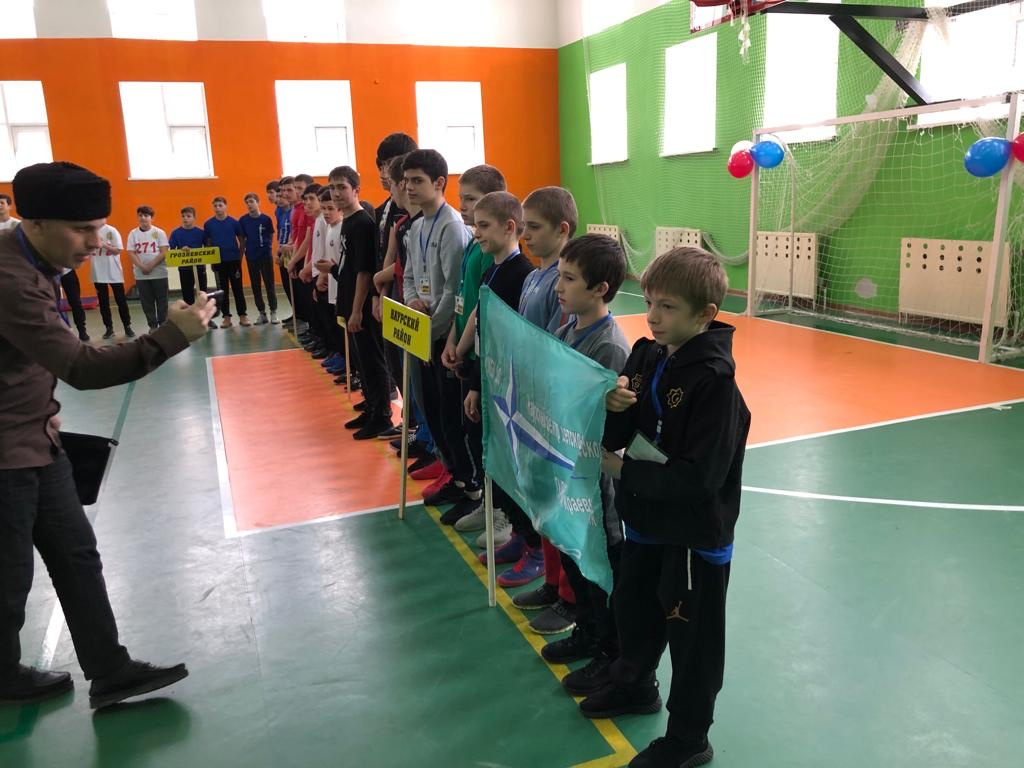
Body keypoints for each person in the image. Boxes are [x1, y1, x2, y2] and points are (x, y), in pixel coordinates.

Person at [0, 161, 216, 709]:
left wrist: (38, 404)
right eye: (82, 230)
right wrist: (171, 336)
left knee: (77, 554)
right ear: (35, 223)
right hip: (6, 453)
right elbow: (81, 365)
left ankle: (110, 669)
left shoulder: (35, 260)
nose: (97, 242)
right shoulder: (11, 280)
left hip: (34, 437)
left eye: (99, 227)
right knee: (8, 574)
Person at [580, 246, 751, 768]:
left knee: (693, 639)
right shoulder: (647, 354)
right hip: (646, 519)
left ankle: (689, 737)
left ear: (705, 315)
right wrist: (613, 407)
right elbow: (621, 431)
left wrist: (624, 472)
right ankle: (635, 682)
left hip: (693, 535)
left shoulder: (715, 385)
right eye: (650, 301)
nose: (652, 316)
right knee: (634, 608)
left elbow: (700, 480)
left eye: (668, 307)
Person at [543, 234, 630, 699]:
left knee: (600, 570)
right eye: (559, 275)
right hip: (566, 474)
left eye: (570, 279)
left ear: (600, 289)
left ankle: (611, 650)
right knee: (575, 561)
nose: (559, 286)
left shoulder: (609, 347)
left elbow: (600, 422)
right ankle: (589, 630)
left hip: (595, 489)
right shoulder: (565, 331)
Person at [325, 166, 394, 439]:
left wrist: (356, 311)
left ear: (356, 190)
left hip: (361, 306)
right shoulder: (348, 220)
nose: (336, 193)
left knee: (372, 360)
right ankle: (371, 406)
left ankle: (382, 415)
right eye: (332, 187)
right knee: (360, 361)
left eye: (342, 187)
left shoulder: (363, 223)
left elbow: (364, 272)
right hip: (348, 301)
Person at [204, 197, 248, 327]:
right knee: (222, 291)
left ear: (225, 206)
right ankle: (226, 317)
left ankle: (243, 315)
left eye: (220, 205)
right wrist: (211, 261)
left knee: (238, 289)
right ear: (213, 207)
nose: (218, 208)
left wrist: (239, 257)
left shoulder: (234, 222)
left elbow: (242, 240)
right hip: (218, 262)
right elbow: (208, 243)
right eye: (215, 206)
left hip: (233, 261)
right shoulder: (208, 224)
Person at [126, 205, 170, 332]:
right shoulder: (133, 234)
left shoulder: (159, 232)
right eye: (140, 215)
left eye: (146, 215)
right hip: (141, 275)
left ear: (152, 218)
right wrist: (142, 266)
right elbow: (131, 252)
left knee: (162, 301)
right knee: (147, 302)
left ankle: (163, 324)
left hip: (159, 273)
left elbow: (164, 251)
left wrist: (151, 265)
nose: (143, 218)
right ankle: (152, 325)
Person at [90, 222, 134, 339]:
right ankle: (109, 328)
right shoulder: (89, 230)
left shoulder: (111, 230)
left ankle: (127, 326)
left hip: (113, 271)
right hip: (98, 272)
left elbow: (118, 250)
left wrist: (104, 245)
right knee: (103, 302)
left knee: (121, 300)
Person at [239, 192, 277, 324]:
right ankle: (262, 313)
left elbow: (270, 235)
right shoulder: (243, 220)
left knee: (269, 284)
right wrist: (242, 254)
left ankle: (273, 312)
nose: (249, 204)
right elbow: (242, 239)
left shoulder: (266, 219)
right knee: (255, 286)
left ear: (258, 202)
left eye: (251, 201)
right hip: (251, 257)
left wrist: (267, 248)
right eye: (247, 202)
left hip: (265, 256)